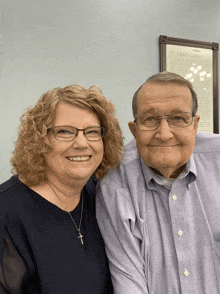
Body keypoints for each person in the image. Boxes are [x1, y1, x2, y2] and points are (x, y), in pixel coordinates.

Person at [96, 71, 220, 294]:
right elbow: (128, 280)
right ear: (134, 130)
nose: (164, 134)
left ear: (195, 125)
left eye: (178, 118)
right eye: (150, 119)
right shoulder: (115, 184)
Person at [0, 83, 123, 293]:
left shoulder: (103, 197)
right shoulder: (6, 211)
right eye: (65, 132)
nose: (82, 143)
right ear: (39, 140)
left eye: (93, 132)